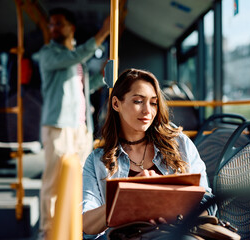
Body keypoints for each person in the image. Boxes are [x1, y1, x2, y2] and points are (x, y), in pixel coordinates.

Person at [82, 68, 215, 239]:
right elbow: (87, 225)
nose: (147, 111)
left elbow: (208, 203)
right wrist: (126, 196)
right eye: (138, 101)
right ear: (116, 104)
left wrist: (171, 203)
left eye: (153, 103)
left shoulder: (179, 144)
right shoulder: (97, 161)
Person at [37, 7, 110, 237]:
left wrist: (107, 70)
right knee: (54, 183)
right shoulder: (49, 54)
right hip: (59, 126)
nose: (53, 29)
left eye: (58, 24)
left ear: (71, 27)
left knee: (79, 181)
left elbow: (87, 86)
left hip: (80, 128)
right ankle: (48, 232)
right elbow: (74, 57)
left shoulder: (78, 60)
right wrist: (102, 34)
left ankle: (73, 228)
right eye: (51, 25)